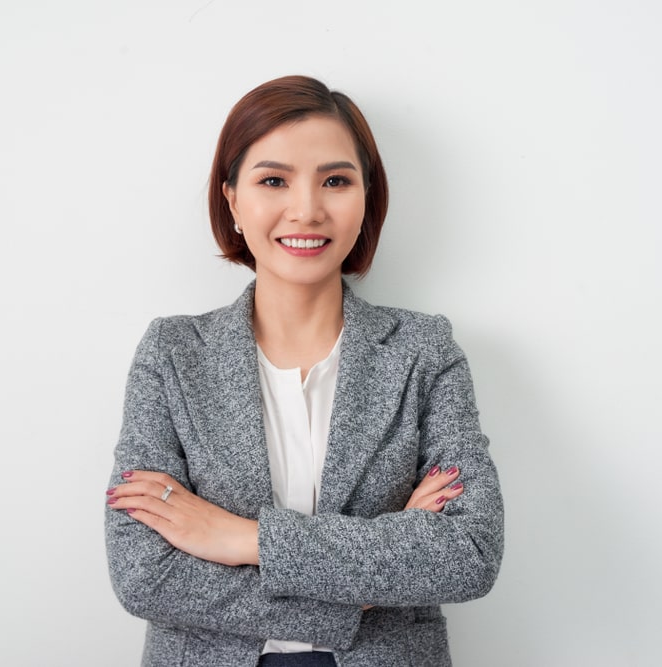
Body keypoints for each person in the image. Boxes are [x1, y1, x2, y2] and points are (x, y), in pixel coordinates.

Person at [104, 75, 503, 667]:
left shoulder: (423, 351)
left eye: (336, 181)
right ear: (233, 199)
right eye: (273, 180)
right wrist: (363, 588)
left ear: (367, 198)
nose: (307, 209)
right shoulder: (172, 353)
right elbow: (144, 573)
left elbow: (468, 550)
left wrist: (242, 538)